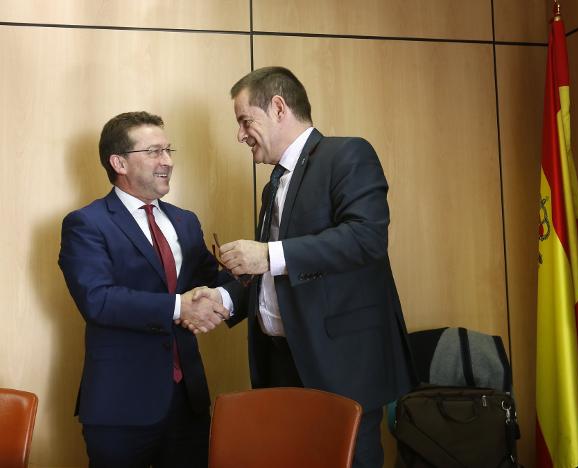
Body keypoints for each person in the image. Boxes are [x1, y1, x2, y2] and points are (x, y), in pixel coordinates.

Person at [192, 66, 415, 468]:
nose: (240, 134)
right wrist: (225, 299)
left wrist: (268, 254)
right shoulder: (273, 184)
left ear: (278, 107)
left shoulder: (348, 154)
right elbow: (273, 272)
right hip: (280, 366)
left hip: (341, 368)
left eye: (245, 121)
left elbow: (366, 238)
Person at [58, 111, 228, 468]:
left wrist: (241, 278)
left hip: (188, 404)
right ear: (119, 162)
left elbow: (214, 281)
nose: (167, 161)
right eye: (154, 151)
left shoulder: (185, 221)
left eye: (168, 150)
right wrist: (180, 307)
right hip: (120, 408)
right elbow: (98, 300)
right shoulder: (87, 224)